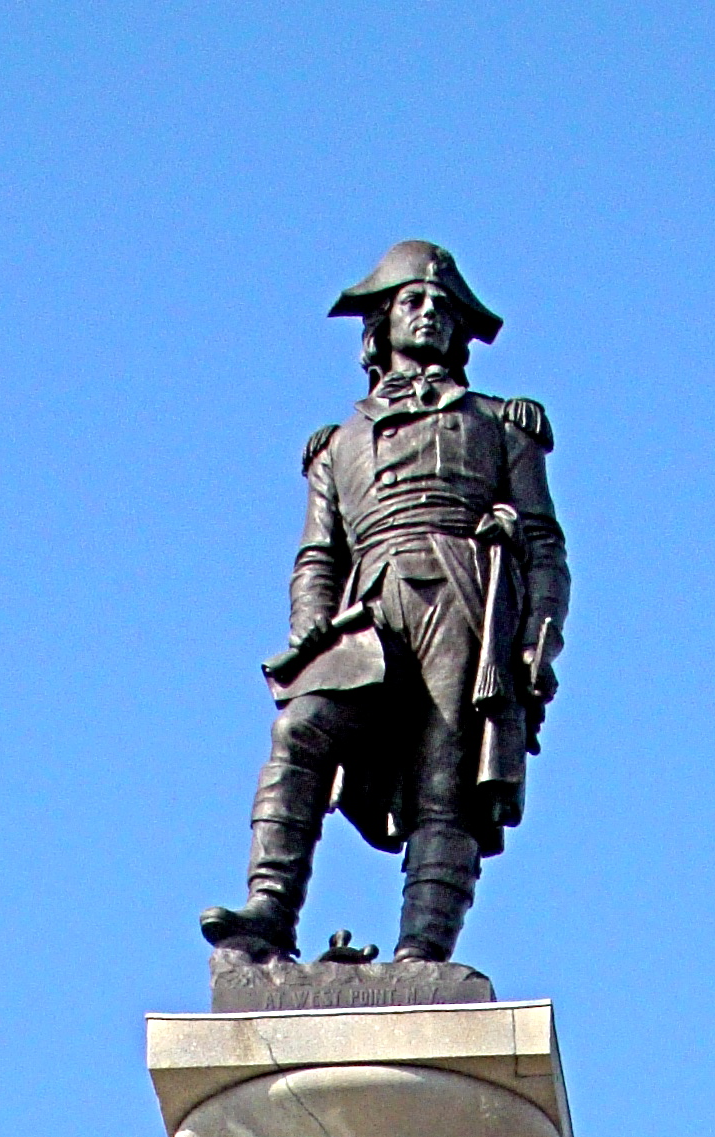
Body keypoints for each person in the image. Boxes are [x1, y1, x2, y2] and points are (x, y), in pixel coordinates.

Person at [202, 243, 571, 969]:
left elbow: (544, 544)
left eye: (443, 306)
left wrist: (536, 643)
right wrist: (309, 627)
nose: (430, 313)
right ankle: (270, 911)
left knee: (447, 774)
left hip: (464, 595)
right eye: (413, 301)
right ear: (382, 323)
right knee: (301, 729)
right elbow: (319, 553)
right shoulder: (337, 443)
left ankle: (422, 950)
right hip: (368, 606)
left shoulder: (503, 424)